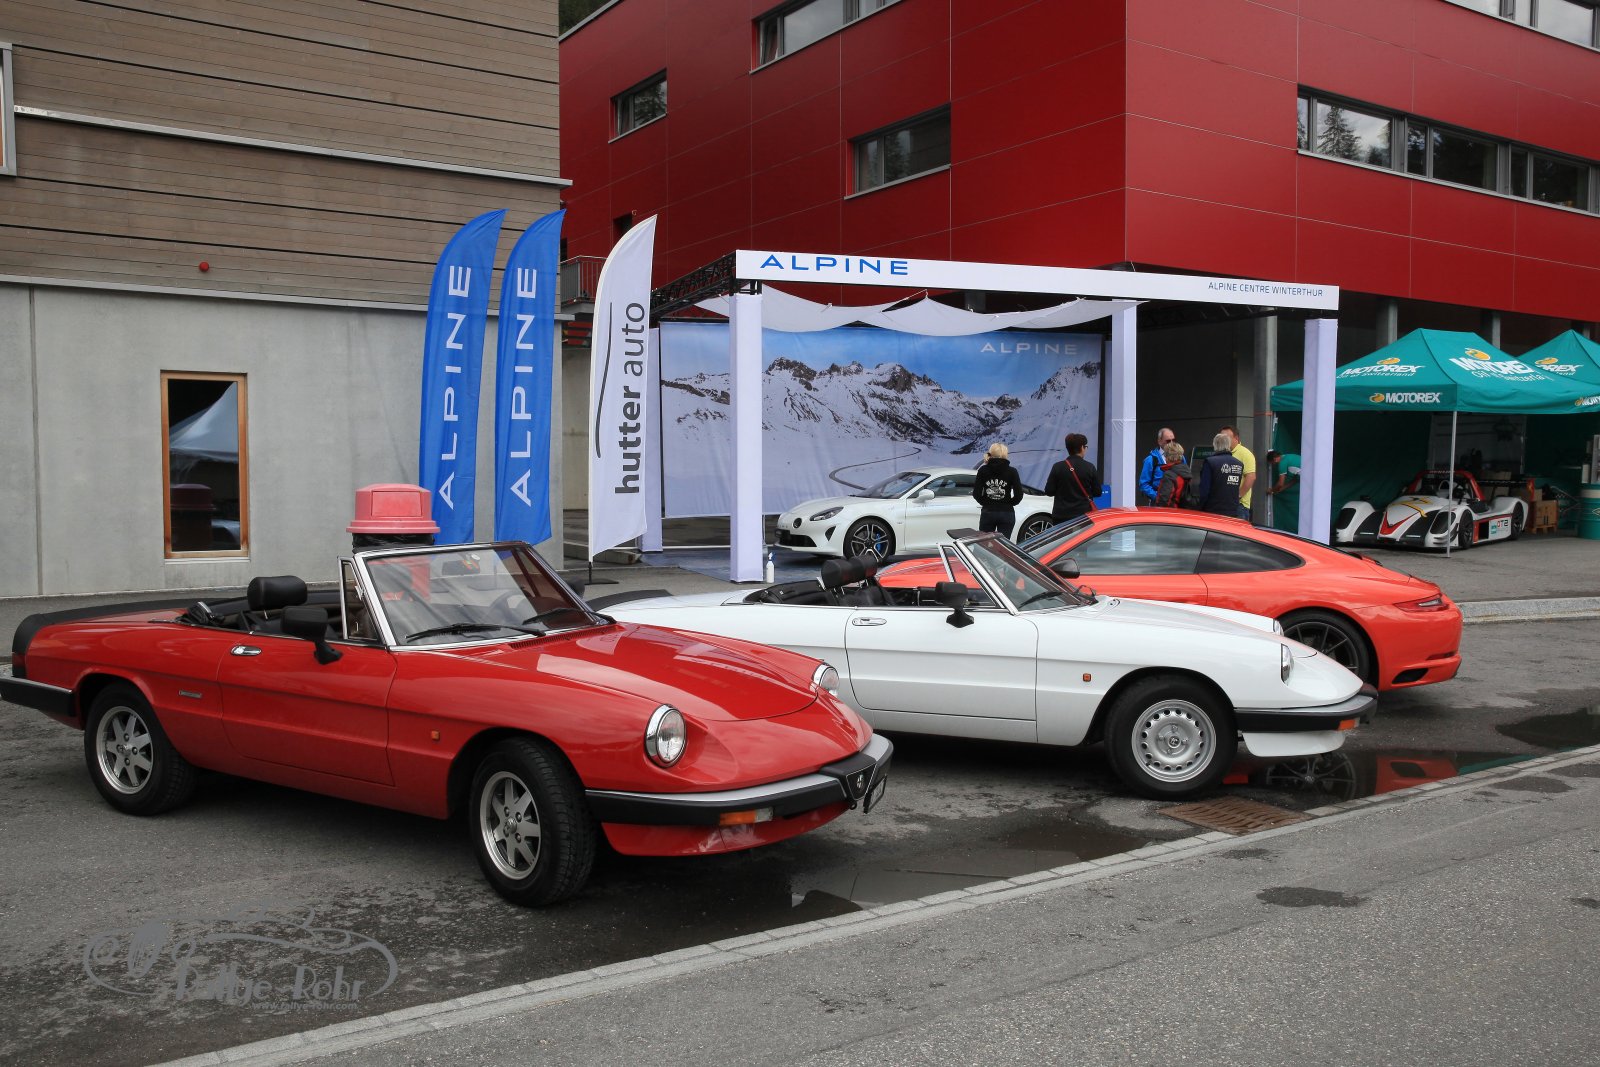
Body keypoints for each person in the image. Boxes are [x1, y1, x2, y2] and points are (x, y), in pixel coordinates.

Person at [1045, 432, 1102, 522]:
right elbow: (1098, 492)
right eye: (1085, 447)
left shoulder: (1057, 467)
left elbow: (1049, 491)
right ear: (1082, 447)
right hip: (1083, 516)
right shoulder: (1089, 467)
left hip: (1061, 516)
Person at [972, 441, 1025, 537]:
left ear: (991, 454)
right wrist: (1008, 503)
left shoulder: (983, 470)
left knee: (984, 542)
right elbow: (1019, 495)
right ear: (1005, 454)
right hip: (1006, 512)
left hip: (988, 512)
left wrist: (986, 503)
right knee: (1003, 544)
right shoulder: (1012, 471)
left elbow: (976, 493)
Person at [1196, 432, 1245, 516]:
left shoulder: (1210, 462)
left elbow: (1204, 489)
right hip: (1232, 510)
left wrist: (1200, 506)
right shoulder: (1239, 464)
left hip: (1213, 510)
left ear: (1215, 445)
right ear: (1228, 445)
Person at [1221, 425, 1256, 520]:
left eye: (1226, 438)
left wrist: (1238, 496)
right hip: (1224, 503)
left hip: (1239, 505)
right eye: (1221, 437)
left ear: (1236, 438)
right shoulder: (1222, 453)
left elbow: (1251, 477)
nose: (1223, 440)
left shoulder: (1245, 454)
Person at [1265, 449, 1302, 532]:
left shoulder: (1282, 463)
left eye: (1272, 463)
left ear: (1274, 459)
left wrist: (1271, 490)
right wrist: (1281, 489)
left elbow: (1280, 483)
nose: (1274, 465)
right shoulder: (1289, 457)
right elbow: (1295, 480)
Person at [1137, 427, 1176, 505]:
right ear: (1159, 441)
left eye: (1173, 440)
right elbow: (1144, 484)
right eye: (1168, 441)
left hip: (1176, 502)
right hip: (1158, 503)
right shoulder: (1151, 460)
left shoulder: (1180, 457)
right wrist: (1157, 497)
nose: (1171, 443)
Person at [1154, 441, 1193, 508]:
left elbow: (1164, 500)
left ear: (1167, 457)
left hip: (1170, 512)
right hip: (1183, 511)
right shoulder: (1186, 471)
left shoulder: (1169, 475)